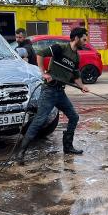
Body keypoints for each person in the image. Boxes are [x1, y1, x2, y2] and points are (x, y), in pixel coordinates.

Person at [14, 27, 90, 163]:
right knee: (39, 121)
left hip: (60, 92)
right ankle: (21, 152)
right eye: (84, 39)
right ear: (77, 38)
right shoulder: (59, 48)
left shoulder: (76, 56)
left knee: (74, 117)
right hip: (49, 91)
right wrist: (43, 73)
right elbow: (40, 54)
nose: (86, 42)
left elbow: (76, 75)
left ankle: (68, 147)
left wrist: (82, 86)